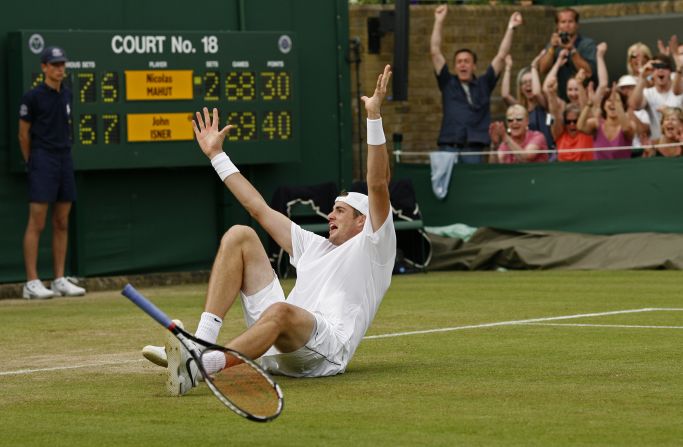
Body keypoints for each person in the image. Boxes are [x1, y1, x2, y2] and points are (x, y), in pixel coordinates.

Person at [141, 66, 397, 396]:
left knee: (280, 311)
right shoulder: (315, 246)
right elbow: (258, 209)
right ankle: (200, 346)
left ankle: (201, 367)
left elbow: (377, 183)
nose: (330, 214)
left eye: (340, 210)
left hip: (323, 352)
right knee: (240, 234)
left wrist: (373, 118)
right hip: (279, 347)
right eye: (332, 208)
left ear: (362, 221)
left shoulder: (375, 246)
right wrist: (217, 156)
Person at [18, 46, 85, 300]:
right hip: (42, 160)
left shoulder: (67, 94)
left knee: (62, 221)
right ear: (44, 67)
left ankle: (59, 279)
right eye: (54, 65)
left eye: (62, 64)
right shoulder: (32, 97)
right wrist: (32, 162)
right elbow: (23, 134)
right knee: (37, 222)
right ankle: (31, 282)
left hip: (64, 159)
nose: (59, 69)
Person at [430, 4, 523, 163]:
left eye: (467, 61)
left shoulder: (484, 83)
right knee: (444, 188)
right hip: (448, 145)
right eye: (459, 62)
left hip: (474, 147)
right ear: (454, 66)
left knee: (471, 185)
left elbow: (501, 56)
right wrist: (438, 21)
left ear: (474, 66)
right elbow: (435, 51)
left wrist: (511, 28)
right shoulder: (447, 82)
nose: (463, 65)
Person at [501, 50, 555, 155]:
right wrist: (507, 68)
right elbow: (505, 95)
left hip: (546, 154)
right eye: (524, 83)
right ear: (520, 88)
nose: (528, 85)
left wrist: (534, 67)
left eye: (531, 81)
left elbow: (536, 93)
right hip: (525, 154)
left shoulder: (544, 103)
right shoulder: (520, 108)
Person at [538, 8, 596, 102]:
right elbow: (542, 69)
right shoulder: (553, 45)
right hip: (559, 100)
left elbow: (588, 73)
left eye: (570, 21)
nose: (567, 25)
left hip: (583, 99)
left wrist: (572, 49)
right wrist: (552, 48)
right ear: (557, 25)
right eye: (563, 22)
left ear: (577, 24)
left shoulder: (587, 44)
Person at [629, 54, 683, 141]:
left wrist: (668, 112)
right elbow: (635, 105)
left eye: (664, 67)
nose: (660, 70)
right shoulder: (648, 93)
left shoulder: (679, 89)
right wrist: (642, 77)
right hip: (658, 147)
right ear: (652, 72)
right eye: (656, 67)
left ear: (670, 71)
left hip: (680, 145)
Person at [577, 83, 634, 160]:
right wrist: (589, 103)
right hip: (599, 170)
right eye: (609, 100)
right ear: (603, 105)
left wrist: (617, 104)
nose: (613, 103)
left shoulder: (630, 125)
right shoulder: (596, 123)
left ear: (623, 106)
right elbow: (580, 126)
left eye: (616, 101)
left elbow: (627, 129)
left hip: (623, 170)